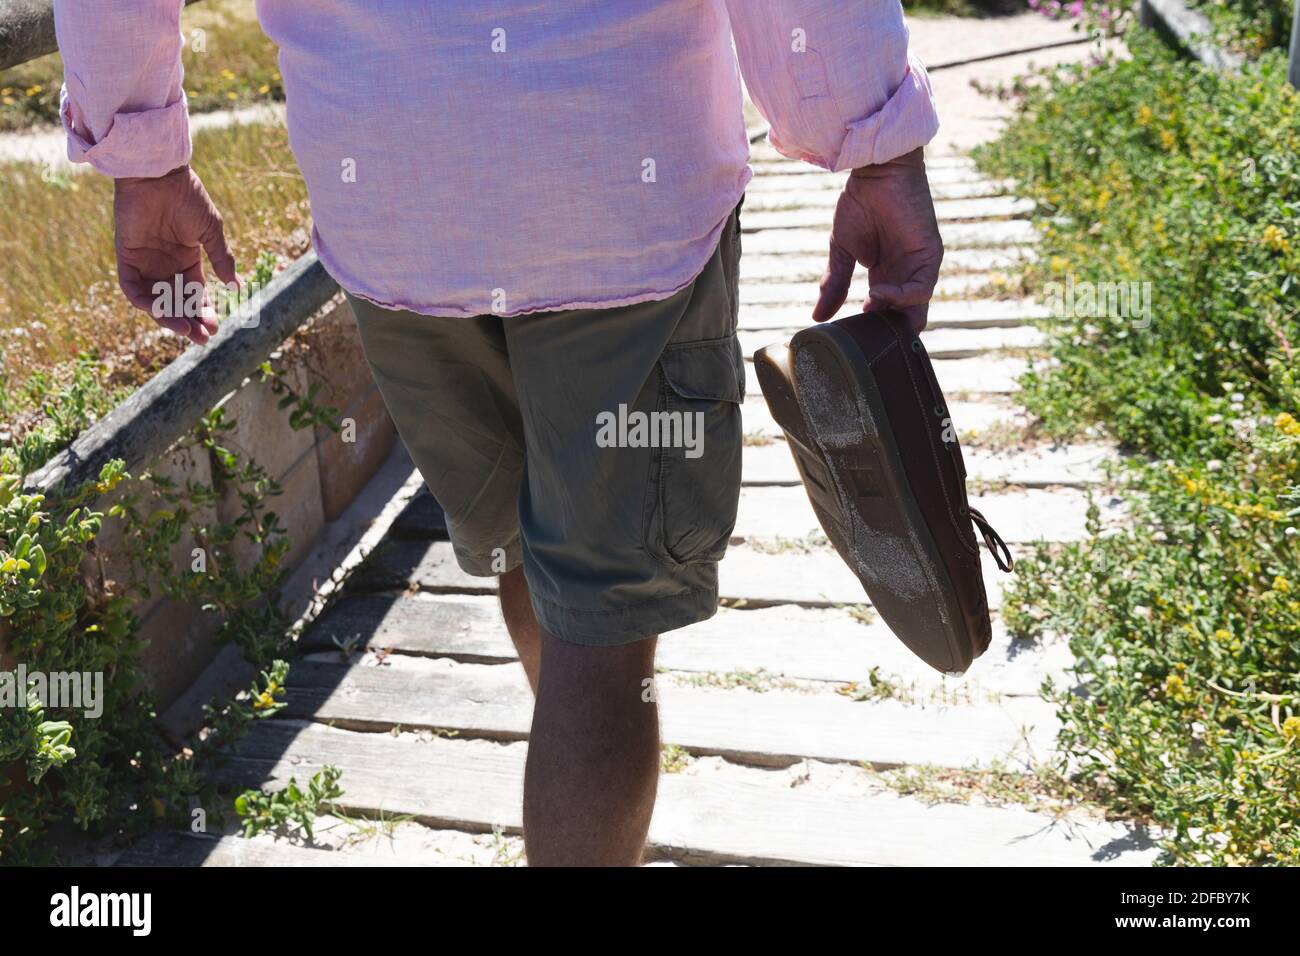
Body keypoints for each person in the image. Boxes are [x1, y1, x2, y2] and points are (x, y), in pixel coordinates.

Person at [54, 0, 944, 866]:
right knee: (604, 622)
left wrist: (145, 160)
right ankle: (584, 766)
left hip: (393, 200)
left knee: (524, 543)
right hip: (621, 190)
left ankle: (574, 751)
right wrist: (876, 146)